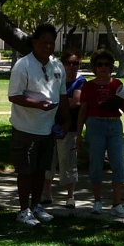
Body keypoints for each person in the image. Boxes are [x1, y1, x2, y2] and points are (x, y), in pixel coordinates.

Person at [8, 23, 65, 225]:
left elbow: (62, 95)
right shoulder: (23, 65)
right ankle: (23, 210)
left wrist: (65, 121)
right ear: (34, 42)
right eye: (44, 42)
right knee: (26, 170)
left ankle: (36, 206)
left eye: (52, 43)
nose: (48, 46)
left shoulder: (57, 66)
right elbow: (14, 96)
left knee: (41, 170)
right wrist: (38, 104)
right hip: (25, 127)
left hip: (47, 128)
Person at [77, 49, 124, 217]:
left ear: (111, 67)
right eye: (99, 64)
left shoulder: (117, 84)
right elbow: (83, 111)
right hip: (95, 124)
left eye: (106, 64)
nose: (103, 67)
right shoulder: (88, 86)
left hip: (114, 125)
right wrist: (78, 134)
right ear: (94, 67)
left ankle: (117, 204)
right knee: (96, 163)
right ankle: (97, 201)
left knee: (118, 164)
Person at [43, 47, 85, 207]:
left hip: (70, 128)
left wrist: (55, 102)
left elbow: (76, 102)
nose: (72, 66)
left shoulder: (80, 81)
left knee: (68, 162)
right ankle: (47, 194)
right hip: (50, 125)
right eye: (69, 63)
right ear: (63, 64)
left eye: (76, 63)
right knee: (48, 162)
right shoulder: (56, 80)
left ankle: (70, 197)